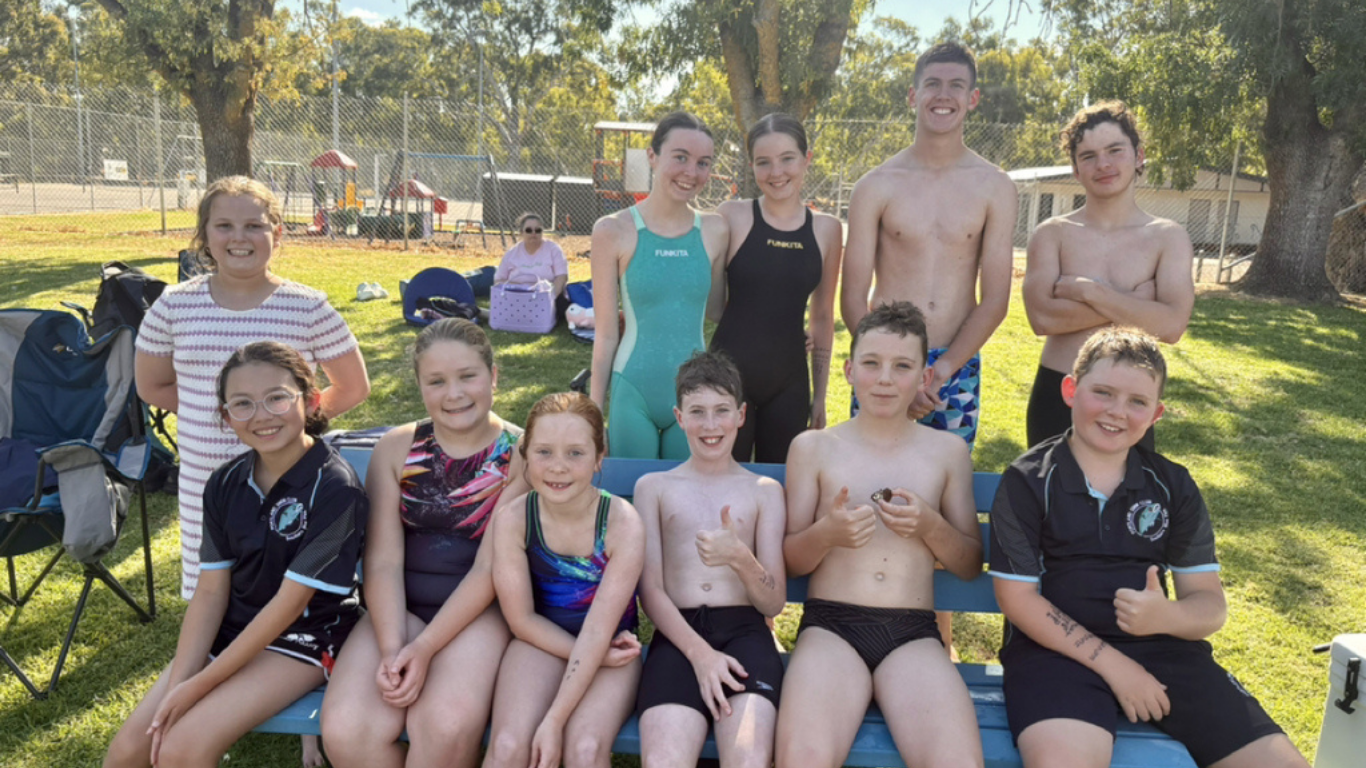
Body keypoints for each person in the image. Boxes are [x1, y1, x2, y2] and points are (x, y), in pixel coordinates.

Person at [989, 328, 1307, 768]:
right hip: (1054, 655)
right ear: (1070, 390)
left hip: (1164, 652)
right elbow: (1018, 600)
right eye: (1103, 392)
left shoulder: (1173, 485)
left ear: (1156, 414)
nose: (1117, 412)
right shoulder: (1027, 480)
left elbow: (1209, 604)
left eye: (1137, 401)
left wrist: (1167, 617)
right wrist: (1116, 666)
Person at [104, 342, 366, 768]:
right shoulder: (224, 482)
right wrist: (180, 683)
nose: (261, 415)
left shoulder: (337, 488)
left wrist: (201, 684)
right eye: (242, 404)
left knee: (182, 749)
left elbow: (289, 605)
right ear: (226, 417)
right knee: (127, 753)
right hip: (233, 630)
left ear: (311, 400)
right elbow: (210, 593)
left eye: (277, 397)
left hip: (303, 639)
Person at [136, 175, 371, 600]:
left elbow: (353, 387)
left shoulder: (308, 307)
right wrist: (218, 412)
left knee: (285, 596)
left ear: (276, 234)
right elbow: (152, 385)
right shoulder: (172, 306)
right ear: (204, 235)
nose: (239, 237)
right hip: (205, 481)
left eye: (254, 226)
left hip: (287, 482)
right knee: (213, 596)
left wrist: (284, 423)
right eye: (224, 225)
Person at [777, 302, 984, 768]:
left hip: (913, 633)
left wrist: (930, 526)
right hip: (831, 628)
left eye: (902, 366)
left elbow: (970, 563)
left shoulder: (947, 452)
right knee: (803, 757)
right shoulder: (814, 448)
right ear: (850, 371)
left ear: (924, 377)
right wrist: (827, 534)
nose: (885, 379)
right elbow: (789, 560)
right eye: (871, 363)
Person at [321, 318, 529, 768]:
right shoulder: (397, 448)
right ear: (419, 386)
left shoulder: (521, 454)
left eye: (468, 376)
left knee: (444, 726)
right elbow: (381, 562)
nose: (454, 394)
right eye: (436, 381)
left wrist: (425, 648)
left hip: (481, 613)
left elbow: (489, 569)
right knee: (346, 731)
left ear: (493, 376)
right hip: (398, 608)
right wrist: (393, 648)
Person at [839, 41, 1017, 454]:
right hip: (883, 365)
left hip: (956, 366)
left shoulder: (995, 186)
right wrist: (890, 366)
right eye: (932, 83)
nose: (943, 95)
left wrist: (939, 372)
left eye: (956, 86)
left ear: (972, 98)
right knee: (868, 477)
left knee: (946, 481)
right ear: (912, 95)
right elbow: (852, 297)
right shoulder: (875, 186)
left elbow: (995, 300)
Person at [634, 351, 788, 768]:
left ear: (741, 415)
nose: (710, 424)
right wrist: (700, 656)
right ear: (679, 417)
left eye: (721, 410)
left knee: (748, 759)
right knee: (663, 761)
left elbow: (774, 603)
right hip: (677, 637)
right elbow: (651, 590)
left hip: (747, 636)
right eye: (697, 412)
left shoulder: (764, 491)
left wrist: (741, 559)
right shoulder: (654, 488)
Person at [483, 393, 645, 768]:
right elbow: (521, 620)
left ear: (599, 457)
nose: (558, 467)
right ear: (525, 454)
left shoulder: (621, 522)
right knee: (508, 746)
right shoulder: (514, 519)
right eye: (544, 452)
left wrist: (554, 721)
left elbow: (598, 631)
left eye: (575, 453)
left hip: (611, 646)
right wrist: (588, 655)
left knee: (584, 750)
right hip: (538, 640)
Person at [1022, 100, 1195, 450]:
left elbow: (1171, 326)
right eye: (1088, 156)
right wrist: (1136, 303)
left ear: (1139, 156)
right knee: (1051, 487)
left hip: (1130, 402)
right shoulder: (1052, 233)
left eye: (1115, 150)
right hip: (1060, 391)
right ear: (1075, 170)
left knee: (1129, 488)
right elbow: (1042, 318)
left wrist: (1091, 292)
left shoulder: (1167, 237)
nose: (1103, 164)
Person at [590, 111, 730, 460]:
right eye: (680, 157)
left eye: (703, 163)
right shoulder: (613, 230)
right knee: (630, 490)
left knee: (684, 494)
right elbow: (605, 335)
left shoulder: (715, 231)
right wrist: (593, 414)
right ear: (652, 156)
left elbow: (717, 310)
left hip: (694, 396)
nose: (691, 172)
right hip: (633, 388)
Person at [711, 114, 844, 463]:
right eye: (763, 162)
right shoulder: (731, 216)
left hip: (789, 382)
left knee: (784, 482)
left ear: (806, 159)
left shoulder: (827, 230)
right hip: (727, 377)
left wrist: (820, 395)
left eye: (787, 159)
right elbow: (711, 306)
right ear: (752, 165)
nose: (776, 172)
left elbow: (823, 315)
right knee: (724, 480)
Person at [495, 212, 572, 322]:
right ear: (521, 232)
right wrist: (520, 289)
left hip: (547, 297)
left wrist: (548, 298)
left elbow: (562, 277)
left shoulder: (553, 249)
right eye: (529, 230)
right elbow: (498, 281)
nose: (533, 233)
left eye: (538, 230)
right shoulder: (511, 254)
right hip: (517, 297)